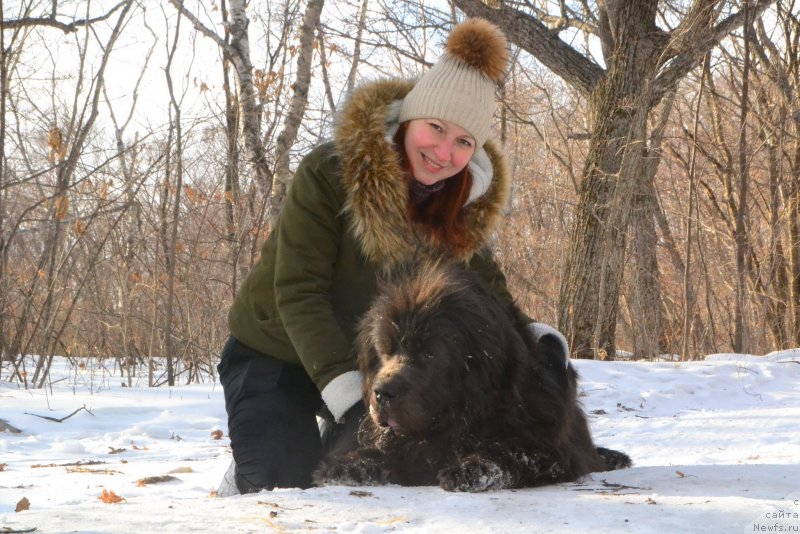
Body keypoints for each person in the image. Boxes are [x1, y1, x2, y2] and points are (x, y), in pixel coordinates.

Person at [216, 17, 569, 495]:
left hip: (376, 365)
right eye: (436, 128)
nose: (445, 152)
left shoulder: (459, 202)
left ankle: (328, 437)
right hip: (274, 353)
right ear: (408, 119)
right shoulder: (329, 172)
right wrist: (349, 399)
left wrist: (536, 340)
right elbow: (297, 293)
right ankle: (258, 460)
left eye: (463, 141)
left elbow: (487, 292)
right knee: (282, 484)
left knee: (367, 470)